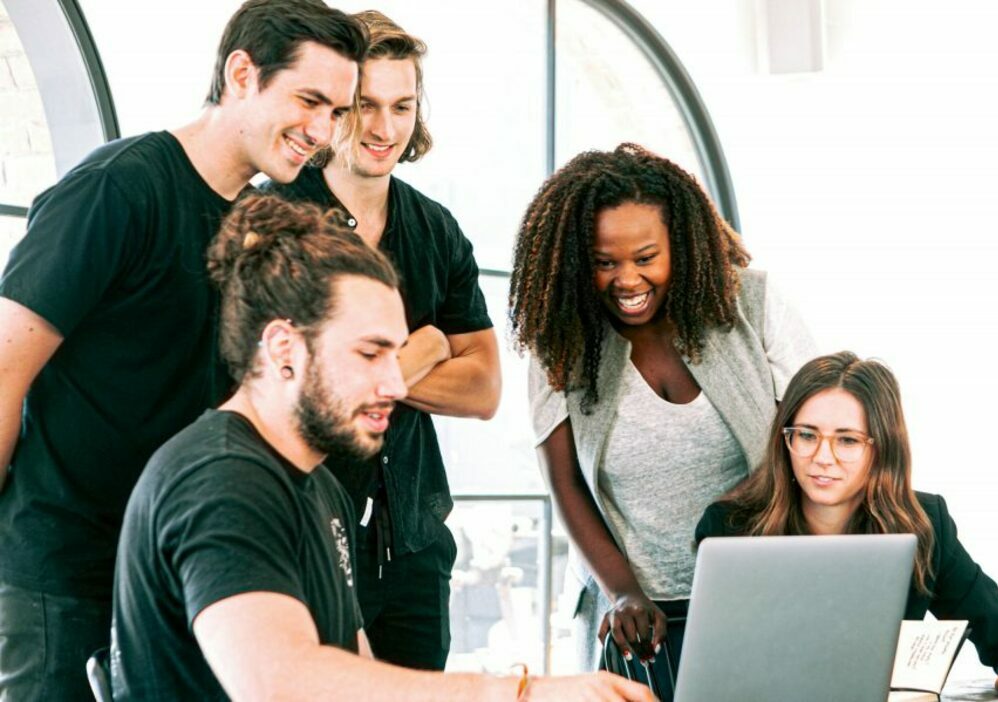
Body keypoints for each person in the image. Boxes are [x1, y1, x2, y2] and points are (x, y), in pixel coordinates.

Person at [110, 193, 652, 702]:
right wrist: (519, 692)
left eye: (397, 356)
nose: (397, 385)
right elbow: (281, 683)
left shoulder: (319, 487)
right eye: (371, 355)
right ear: (282, 348)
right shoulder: (221, 480)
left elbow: (357, 667)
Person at [0, 2, 364, 698]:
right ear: (241, 74)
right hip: (66, 576)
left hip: (177, 572)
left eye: (337, 113)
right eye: (310, 100)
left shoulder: (253, 224)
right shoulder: (118, 188)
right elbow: (2, 369)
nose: (322, 133)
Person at [509, 143, 817, 670]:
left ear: (683, 244)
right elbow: (565, 483)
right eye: (605, 263)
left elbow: (813, 442)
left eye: (646, 258)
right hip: (634, 615)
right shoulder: (560, 338)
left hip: (758, 591)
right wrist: (623, 592)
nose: (627, 280)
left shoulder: (754, 305)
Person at [263, 10, 501, 670]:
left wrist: (367, 366)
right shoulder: (276, 220)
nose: (384, 128)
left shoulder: (437, 230)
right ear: (334, 107)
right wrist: (424, 348)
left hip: (415, 547)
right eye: (365, 105)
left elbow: (484, 388)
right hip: (305, 537)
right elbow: (286, 384)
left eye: (402, 105)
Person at [695, 351, 998, 697]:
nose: (822, 457)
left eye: (847, 441)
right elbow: (713, 666)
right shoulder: (730, 528)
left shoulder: (924, 525)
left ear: (881, 448)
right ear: (785, 441)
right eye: (807, 435)